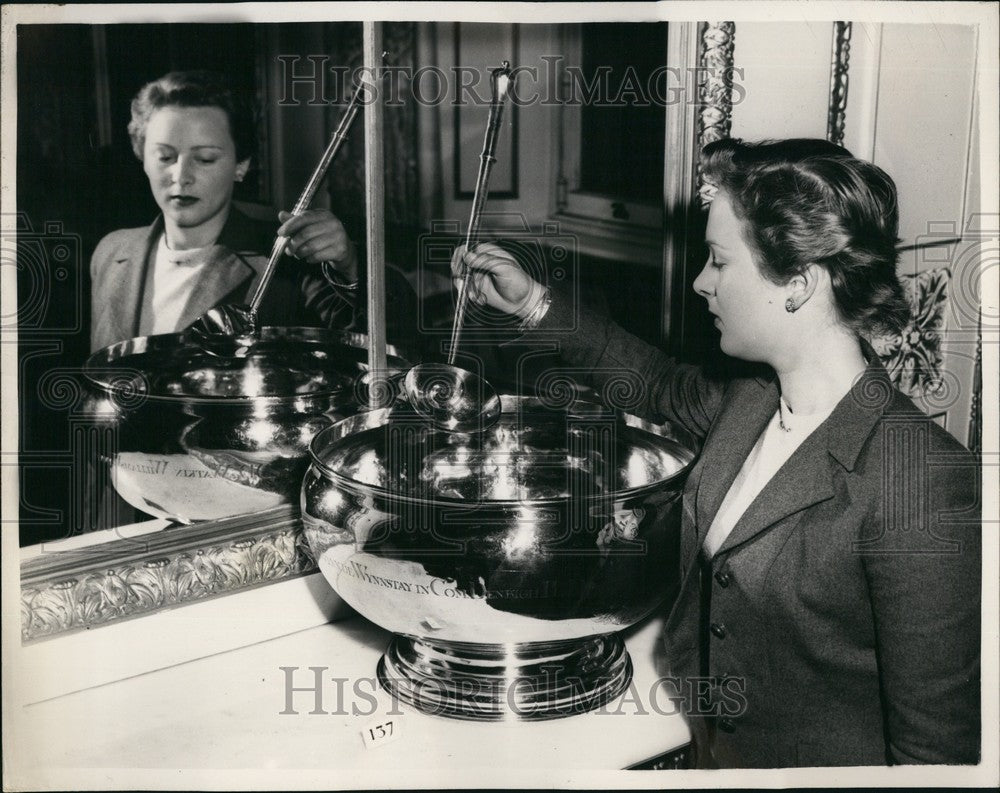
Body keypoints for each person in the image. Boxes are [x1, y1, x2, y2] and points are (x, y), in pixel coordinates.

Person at [451, 138, 981, 767]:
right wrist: (532, 302)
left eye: (720, 261)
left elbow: (936, 756)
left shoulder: (919, 481)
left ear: (798, 285)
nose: (702, 282)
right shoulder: (751, 401)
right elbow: (649, 379)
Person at [89, 69, 413, 352]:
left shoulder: (287, 266)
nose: (180, 176)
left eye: (204, 159)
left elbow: (391, 342)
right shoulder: (110, 252)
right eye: (164, 156)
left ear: (241, 165)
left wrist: (350, 265)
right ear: (141, 156)